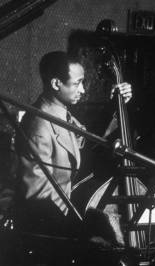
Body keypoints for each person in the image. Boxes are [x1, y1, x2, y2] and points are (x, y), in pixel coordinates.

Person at [16, 50, 132, 232]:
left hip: (63, 218)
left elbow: (89, 140)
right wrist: (77, 229)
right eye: (77, 83)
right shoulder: (38, 127)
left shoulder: (60, 113)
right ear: (56, 83)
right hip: (48, 227)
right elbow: (39, 196)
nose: (83, 90)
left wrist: (115, 104)